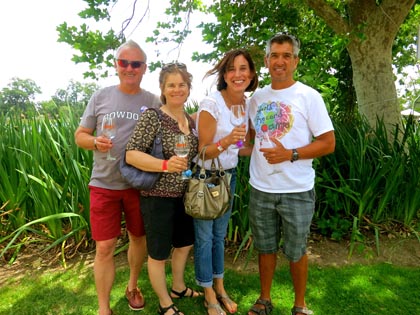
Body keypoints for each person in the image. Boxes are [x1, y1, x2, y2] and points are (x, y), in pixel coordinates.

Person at [247, 33, 336, 315]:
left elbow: (328, 143)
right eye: (275, 55)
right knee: (265, 248)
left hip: (297, 189)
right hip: (261, 187)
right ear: (266, 61)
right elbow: (247, 140)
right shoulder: (256, 99)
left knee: (296, 251)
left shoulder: (309, 96)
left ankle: (300, 305)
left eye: (286, 55)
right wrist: (225, 143)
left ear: (295, 61)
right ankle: (264, 300)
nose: (280, 61)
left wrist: (291, 154)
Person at [74, 40, 161, 315]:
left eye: (136, 64)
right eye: (124, 62)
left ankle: (132, 286)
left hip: (138, 184)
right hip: (103, 183)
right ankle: (103, 308)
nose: (129, 68)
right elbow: (79, 136)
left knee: (138, 238)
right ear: (116, 65)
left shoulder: (152, 101)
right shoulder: (100, 96)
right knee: (104, 246)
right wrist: (95, 142)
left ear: (144, 68)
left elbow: (175, 123)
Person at [125, 62, 201, 315]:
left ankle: (178, 287)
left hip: (184, 196)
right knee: (158, 254)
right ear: (163, 89)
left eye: (182, 84)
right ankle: (165, 303)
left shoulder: (189, 122)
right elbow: (131, 155)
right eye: (172, 85)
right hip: (157, 197)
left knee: (184, 244)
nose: (177, 89)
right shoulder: (153, 116)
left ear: (189, 89)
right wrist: (165, 165)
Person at [194, 49, 258, 315]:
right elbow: (203, 151)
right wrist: (227, 141)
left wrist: (262, 149)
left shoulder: (248, 105)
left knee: (220, 236)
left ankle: (219, 286)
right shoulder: (212, 104)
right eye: (231, 69)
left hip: (229, 176)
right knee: (205, 238)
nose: (238, 74)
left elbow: (241, 148)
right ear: (224, 75)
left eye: (243, 69)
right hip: (207, 178)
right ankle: (208, 292)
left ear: (252, 74)